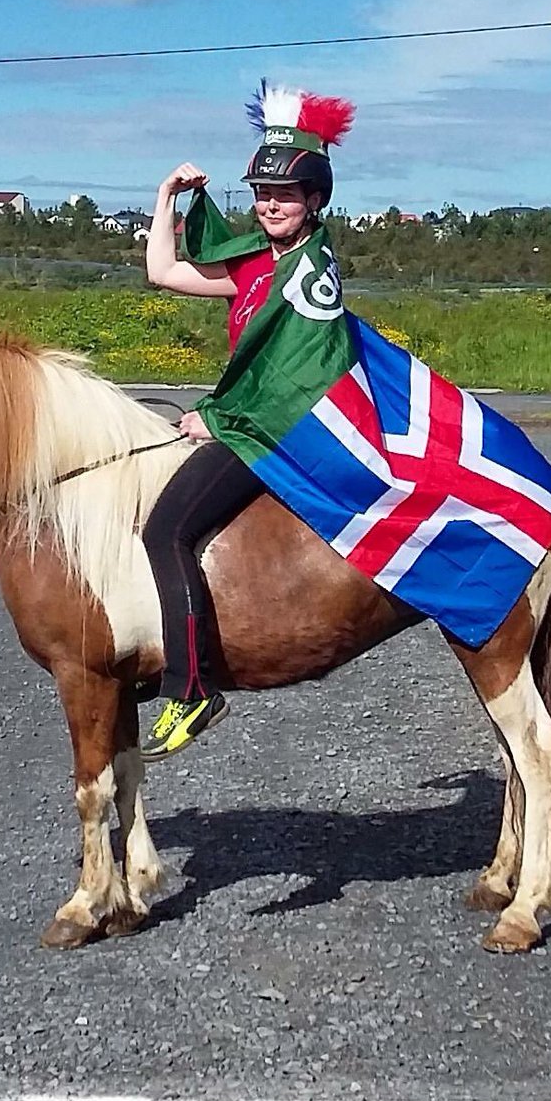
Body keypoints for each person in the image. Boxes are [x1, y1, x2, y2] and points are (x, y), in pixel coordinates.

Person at [139, 80, 354, 761]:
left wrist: (220, 417)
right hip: (244, 415)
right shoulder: (257, 264)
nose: (269, 205)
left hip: (271, 426)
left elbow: (300, 373)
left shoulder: (311, 274)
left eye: (284, 195)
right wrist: (166, 196)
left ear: (314, 201)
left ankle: (192, 686)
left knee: (166, 530)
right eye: (261, 194)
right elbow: (164, 271)